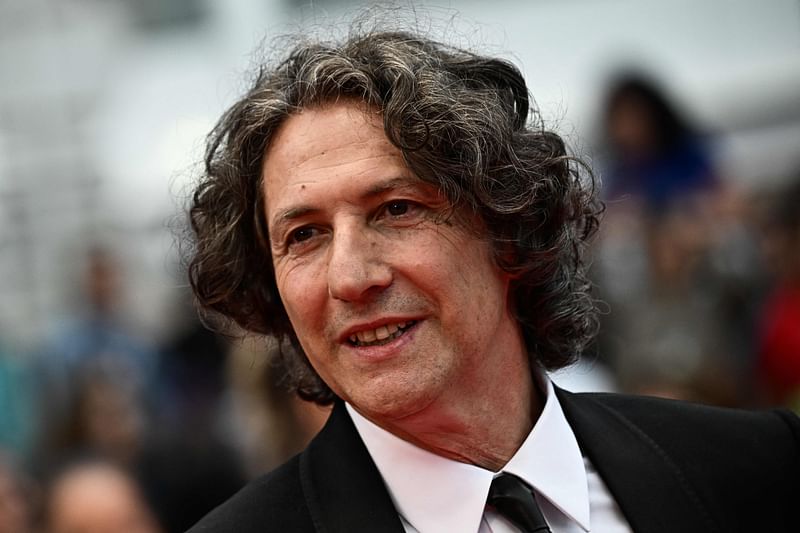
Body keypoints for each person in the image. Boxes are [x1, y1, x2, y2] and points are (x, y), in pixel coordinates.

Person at [186, 29, 799, 532]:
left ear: (509, 225)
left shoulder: (760, 469)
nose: (349, 277)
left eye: (396, 209)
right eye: (304, 236)